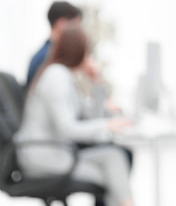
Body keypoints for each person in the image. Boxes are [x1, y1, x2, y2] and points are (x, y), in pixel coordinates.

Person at [15, 25, 135, 206]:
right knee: (112, 171)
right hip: (43, 157)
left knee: (115, 157)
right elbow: (67, 129)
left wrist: (97, 82)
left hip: (58, 152)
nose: (89, 58)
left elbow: (89, 115)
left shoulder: (65, 76)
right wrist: (107, 125)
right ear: (77, 51)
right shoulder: (56, 77)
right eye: (87, 53)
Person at [26, 0, 83, 88]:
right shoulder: (48, 58)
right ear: (61, 24)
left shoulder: (45, 54)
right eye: (75, 26)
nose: (78, 33)